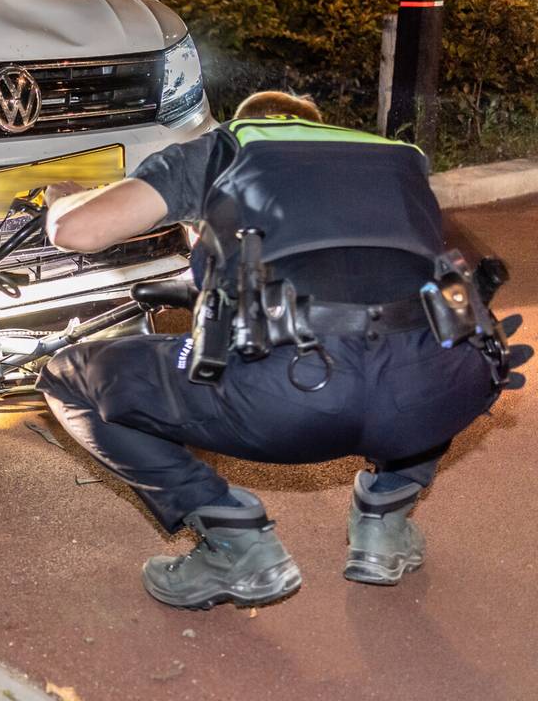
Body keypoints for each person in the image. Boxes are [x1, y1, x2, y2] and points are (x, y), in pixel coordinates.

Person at [38, 91, 504, 610]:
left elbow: (77, 231)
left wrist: (63, 197)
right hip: (433, 391)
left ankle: (233, 539)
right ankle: (386, 521)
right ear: (316, 125)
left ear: (249, 122)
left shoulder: (225, 149)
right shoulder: (396, 158)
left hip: (289, 395)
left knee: (67, 378)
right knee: (431, 351)